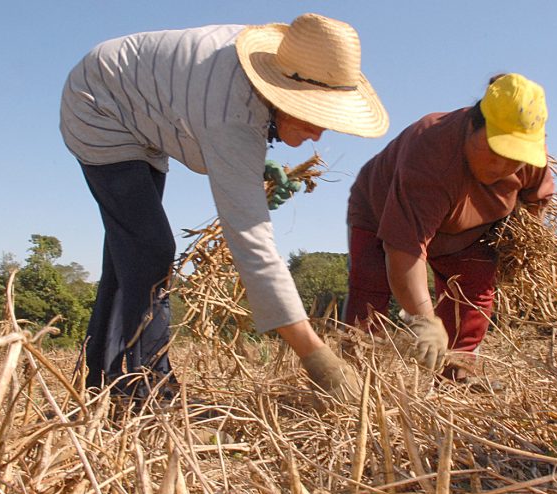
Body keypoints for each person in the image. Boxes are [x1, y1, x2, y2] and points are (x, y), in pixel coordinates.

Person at [60, 13, 388, 403]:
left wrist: (254, 164)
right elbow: (252, 242)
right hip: (99, 105)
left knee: (129, 256)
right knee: (149, 250)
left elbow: (215, 124)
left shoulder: (266, 75)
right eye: (315, 115)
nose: (320, 132)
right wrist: (318, 358)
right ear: (283, 91)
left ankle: (102, 384)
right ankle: (150, 391)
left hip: (139, 105)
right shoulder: (230, 111)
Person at [343, 73, 555, 382]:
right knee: (370, 288)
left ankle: (457, 373)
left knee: (474, 293)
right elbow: (405, 251)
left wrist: (515, 246)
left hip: (468, 230)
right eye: (495, 151)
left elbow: (535, 204)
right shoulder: (431, 151)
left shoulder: (532, 160)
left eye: (515, 159)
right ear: (473, 125)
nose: (502, 168)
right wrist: (423, 321)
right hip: (380, 213)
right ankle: (354, 375)